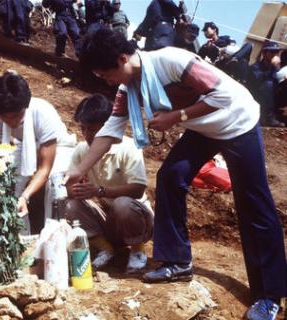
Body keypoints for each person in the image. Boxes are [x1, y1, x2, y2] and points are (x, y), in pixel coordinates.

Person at [67, 27, 286, 320]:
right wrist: (79, 169)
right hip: (204, 129)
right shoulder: (127, 88)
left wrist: (177, 116)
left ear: (121, 59)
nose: (107, 81)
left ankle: (269, 295)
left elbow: (222, 94)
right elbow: (110, 132)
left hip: (237, 122)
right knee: (171, 176)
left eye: (106, 75)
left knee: (253, 202)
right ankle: (177, 261)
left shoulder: (172, 61)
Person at [66, 94, 154, 272]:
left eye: (92, 130)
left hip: (136, 217)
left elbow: (138, 189)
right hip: (108, 217)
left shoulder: (129, 147)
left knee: (122, 204)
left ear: (108, 127)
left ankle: (137, 249)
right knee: (71, 205)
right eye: (83, 129)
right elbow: (68, 184)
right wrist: (74, 190)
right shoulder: (82, 150)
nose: (86, 135)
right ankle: (106, 248)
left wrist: (99, 191)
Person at [0, 72, 76, 234]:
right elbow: (0, 157)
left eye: (17, 115)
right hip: (22, 145)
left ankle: (53, 237)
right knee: (8, 188)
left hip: (59, 146)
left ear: (25, 106)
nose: (12, 122)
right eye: (6, 117)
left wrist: (25, 196)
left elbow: (45, 169)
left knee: (56, 185)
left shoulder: (43, 113)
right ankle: (22, 242)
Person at [249, 40, 284, 127]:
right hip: (258, 97)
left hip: (273, 98)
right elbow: (258, 79)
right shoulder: (255, 67)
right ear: (264, 53)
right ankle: (269, 118)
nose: (275, 54)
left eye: (276, 52)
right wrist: (273, 68)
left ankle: (277, 113)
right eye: (272, 52)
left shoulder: (276, 68)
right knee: (268, 84)